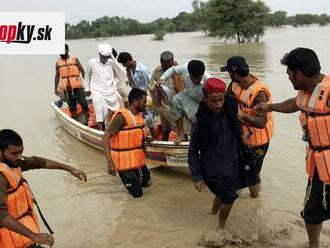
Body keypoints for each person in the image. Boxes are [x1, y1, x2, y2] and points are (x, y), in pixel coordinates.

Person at [255, 48, 330, 248]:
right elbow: (294, 104)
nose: (288, 78)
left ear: (298, 73)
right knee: (312, 209)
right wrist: (269, 107)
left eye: (289, 74)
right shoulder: (306, 93)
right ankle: (314, 245)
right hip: (318, 164)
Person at [0, 129, 87, 248]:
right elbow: (1, 215)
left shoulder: (14, 162)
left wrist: (70, 168)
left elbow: (40, 162)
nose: (19, 157)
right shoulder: (1, 177)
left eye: (21, 152)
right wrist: (33, 235)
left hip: (21, 237)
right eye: (14, 153)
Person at [188, 78, 246, 230]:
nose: (218, 105)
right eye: (214, 101)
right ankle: (221, 228)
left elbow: (238, 123)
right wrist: (196, 176)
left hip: (232, 161)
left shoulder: (230, 107)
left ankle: (213, 213)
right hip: (212, 168)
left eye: (221, 100)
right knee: (230, 197)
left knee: (223, 193)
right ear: (205, 99)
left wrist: (244, 136)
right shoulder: (200, 123)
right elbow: (193, 150)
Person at [221, 56, 274, 198]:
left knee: (252, 171)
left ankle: (255, 202)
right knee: (247, 168)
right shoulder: (234, 84)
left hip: (258, 140)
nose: (229, 75)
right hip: (242, 135)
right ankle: (253, 191)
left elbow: (261, 123)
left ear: (235, 73)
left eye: (229, 72)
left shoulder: (259, 93)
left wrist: (243, 116)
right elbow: (226, 102)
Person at [102, 88, 151, 198]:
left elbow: (140, 136)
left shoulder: (138, 116)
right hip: (124, 164)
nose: (146, 105)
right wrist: (110, 164)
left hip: (136, 160)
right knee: (138, 194)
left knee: (147, 184)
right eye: (144, 102)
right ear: (135, 102)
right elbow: (105, 137)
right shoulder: (121, 117)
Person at [158, 59, 211, 143]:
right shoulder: (184, 69)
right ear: (189, 74)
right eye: (193, 78)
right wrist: (161, 80)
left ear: (202, 74)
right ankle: (181, 134)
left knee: (197, 120)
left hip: (203, 100)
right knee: (175, 100)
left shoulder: (208, 79)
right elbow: (172, 70)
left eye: (198, 78)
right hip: (188, 95)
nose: (196, 81)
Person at [85, 44, 129, 131]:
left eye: (107, 57)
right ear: (99, 54)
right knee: (99, 111)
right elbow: (87, 77)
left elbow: (119, 74)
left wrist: (120, 83)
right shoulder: (91, 63)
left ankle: (109, 129)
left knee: (111, 112)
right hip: (96, 90)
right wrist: (87, 89)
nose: (105, 58)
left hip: (110, 90)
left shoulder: (112, 63)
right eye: (103, 57)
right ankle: (101, 131)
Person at [117, 52, 155, 137]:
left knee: (148, 117)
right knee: (138, 115)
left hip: (145, 96)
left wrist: (149, 99)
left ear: (128, 62)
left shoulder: (142, 70)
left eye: (124, 64)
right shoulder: (129, 69)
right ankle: (141, 134)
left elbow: (150, 84)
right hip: (136, 96)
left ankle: (154, 136)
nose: (124, 66)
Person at [149, 51, 184, 140]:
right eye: (166, 64)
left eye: (170, 63)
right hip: (162, 103)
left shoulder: (179, 70)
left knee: (178, 127)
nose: (169, 67)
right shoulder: (157, 71)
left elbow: (184, 87)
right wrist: (157, 88)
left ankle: (184, 144)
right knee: (164, 128)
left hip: (176, 104)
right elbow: (150, 86)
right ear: (161, 62)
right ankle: (164, 146)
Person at [54, 44, 90, 124]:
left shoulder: (75, 59)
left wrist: (88, 86)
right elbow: (57, 76)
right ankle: (76, 122)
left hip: (78, 86)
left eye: (64, 50)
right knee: (71, 106)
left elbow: (83, 71)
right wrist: (56, 89)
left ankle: (88, 120)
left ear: (68, 50)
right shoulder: (58, 62)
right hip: (67, 88)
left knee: (83, 103)